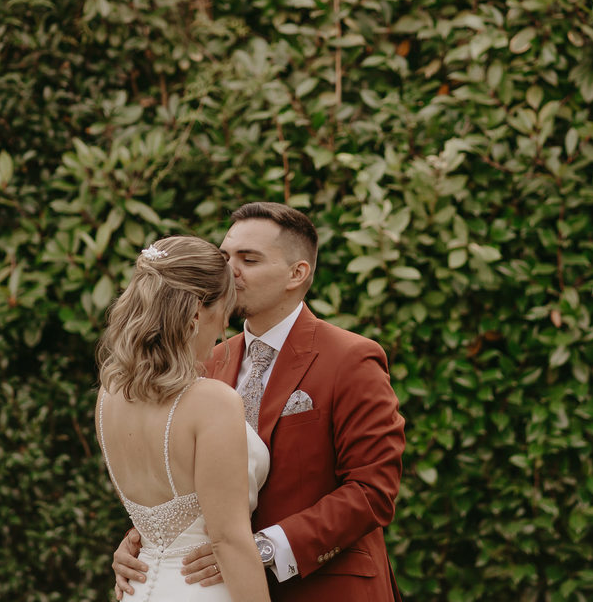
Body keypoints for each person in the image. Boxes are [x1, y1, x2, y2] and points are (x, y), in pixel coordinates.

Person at [113, 203, 406, 602]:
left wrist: (263, 549)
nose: (229, 271)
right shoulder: (205, 361)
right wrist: (149, 542)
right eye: (224, 257)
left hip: (325, 588)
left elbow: (373, 490)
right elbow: (183, 477)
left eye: (248, 260)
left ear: (297, 273)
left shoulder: (351, 358)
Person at [96, 236, 272, 602]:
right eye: (223, 314)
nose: (222, 332)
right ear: (195, 315)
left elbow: (152, 518)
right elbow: (229, 541)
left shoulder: (108, 395)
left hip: (138, 588)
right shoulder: (213, 402)